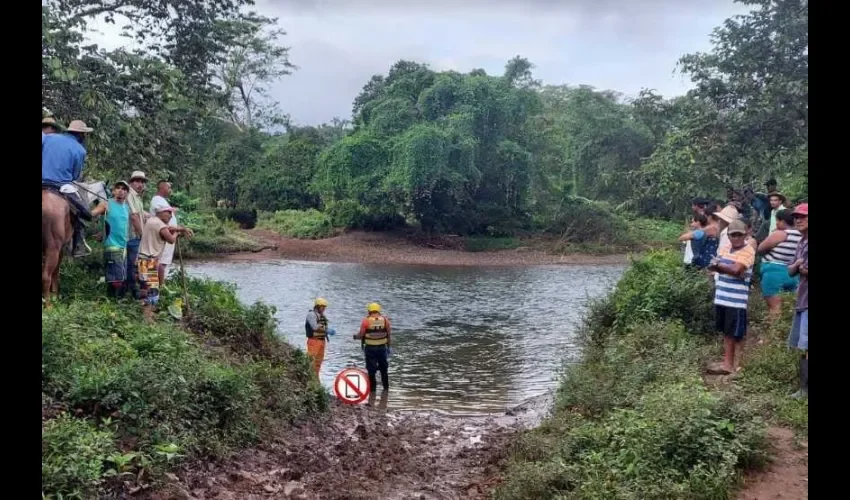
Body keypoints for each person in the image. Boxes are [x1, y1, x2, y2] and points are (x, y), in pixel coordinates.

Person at [707, 220, 755, 375]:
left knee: (737, 334)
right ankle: (728, 364)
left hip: (736, 300)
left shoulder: (748, 251)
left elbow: (736, 269)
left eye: (738, 235)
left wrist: (720, 267)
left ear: (745, 235)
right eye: (733, 235)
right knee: (727, 332)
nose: (735, 238)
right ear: (728, 235)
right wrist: (722, 267)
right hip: (722, 297)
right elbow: (718, 268)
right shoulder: (725, 248)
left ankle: (739, 366)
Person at [41, 119, 95, 257]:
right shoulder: (80, 150)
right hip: (61, 186)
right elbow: (75, 176)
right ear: (81, 135)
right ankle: (79, 244)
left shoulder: (48, 138)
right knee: (82, 213)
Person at [137, 206, 193, 322]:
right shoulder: (159, 224)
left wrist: (181, 229)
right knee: (152, 289)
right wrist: (177, 234)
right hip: (150, 260)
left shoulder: (152, 221)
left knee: (145, 287)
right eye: (168, 213)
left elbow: (169, 228)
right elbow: (171, 239)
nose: (170, 216)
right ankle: (147, 317)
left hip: (143, 258)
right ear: (160, 212)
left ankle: (147, 313)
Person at [757, 210, 802, 320]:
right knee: (790, 308)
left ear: (782, 221)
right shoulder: (801, 235)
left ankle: (772, 335)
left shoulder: (781, 234)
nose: (776, 223)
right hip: (793, 274)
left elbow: (760, 248)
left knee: (775, 309)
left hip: (774, 274)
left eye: (777, 221)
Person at [91, 181, 132, 298]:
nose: (121, 190)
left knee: (120, 277)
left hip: (123, 247)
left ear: (127, 193)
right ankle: (114, 303)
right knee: (117, 279)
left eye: (124, 189)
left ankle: (112, 303)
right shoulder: (106, 204)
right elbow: (92, 214)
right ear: (113, 191)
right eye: (118, 188)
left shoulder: (126, 207)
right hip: (112, 246)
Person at [787, 203, 808, 399]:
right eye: (796, 217)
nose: (798, 220)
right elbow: (791, 270)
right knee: (803, 346)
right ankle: (803, 389)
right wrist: (798, 267)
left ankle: (805, 390)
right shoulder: (801, 242)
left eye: (803, 217)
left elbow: (800, 269)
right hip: (802, 298)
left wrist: (801, 267)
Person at [354, 302, 392, 393]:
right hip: (382, 348)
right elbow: (389, 335)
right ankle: (386, 390)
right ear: (378, 310)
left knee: (371, 370)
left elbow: (361, 335)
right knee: (384, 369)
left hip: (370, 349)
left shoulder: (366, 321)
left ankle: (372, 391)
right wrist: (389, 347)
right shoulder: (385, 320)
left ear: (369, 311)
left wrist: (355, 336)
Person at [149, 180, 181, 286]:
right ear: (162, 188)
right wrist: (176, 232)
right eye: (169, 188)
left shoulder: (162, 200)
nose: (170, 190)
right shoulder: (157, 200)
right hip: (165, 236)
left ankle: (157, 289)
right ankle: (160, 287)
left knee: (162, 263)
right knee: (161, 262)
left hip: (167, 234)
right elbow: (162, 216)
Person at [126, 171, 149, 298]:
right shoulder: (130, 195)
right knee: (133, 265)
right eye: (137, 181)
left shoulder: (137, 197)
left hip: (137, 236)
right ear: (131, 182)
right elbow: (134, 217)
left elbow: (141, 213)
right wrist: (143, 235)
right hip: (133, 236)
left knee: (137, 264)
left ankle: (137, 291)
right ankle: (133, 292)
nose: (140, 184)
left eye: (142, 182)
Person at [306, 298, 331, 377]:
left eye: (324, 307)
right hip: (314, 341)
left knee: (318, 362)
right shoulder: (311, 315)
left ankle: (316, 379)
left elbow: (323, 327)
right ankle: (309, 377)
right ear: (317, 306)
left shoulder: (322, 316)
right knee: (311, 360)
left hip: (322, 341)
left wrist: (327, 330)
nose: (324, 309)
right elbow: (314, 327)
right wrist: (326, 330)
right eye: (322, 307)